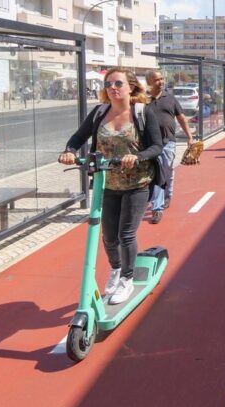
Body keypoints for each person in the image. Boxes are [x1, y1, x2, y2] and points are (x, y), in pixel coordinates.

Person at [59, 68, 163, 305]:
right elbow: (78, 137)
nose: (113, 88)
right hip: (106, 183)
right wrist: (69, 151)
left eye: (118, 83)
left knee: (125, 234)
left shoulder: (142, 112)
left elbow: (157, 146)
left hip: (137, 183)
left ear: (131, 87)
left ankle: (127, 278)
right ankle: (116, 269)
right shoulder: (99, 112)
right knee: (108, 236)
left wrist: (136, 157)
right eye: (108, 84)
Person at [146, 69, 194, 224]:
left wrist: (190, 137)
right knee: (157, 173)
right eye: (156, 79)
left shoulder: (170, 99)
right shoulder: (144, 100)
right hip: (151, 144)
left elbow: (181, 119)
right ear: (149, 83)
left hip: (168, 142)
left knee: (167, 170)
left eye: (161, 79)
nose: (160, 82)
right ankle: (157, 208)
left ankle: (168, 195)